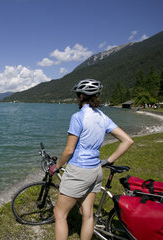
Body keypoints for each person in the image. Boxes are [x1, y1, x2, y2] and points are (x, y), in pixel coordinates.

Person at [49, 79, 134, 240]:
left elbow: (69, 150)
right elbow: (127, 140)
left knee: (59, 213)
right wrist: (108, 160)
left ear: (81, 96)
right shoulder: (102, 117)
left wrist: (57, 167)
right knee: (88, 214)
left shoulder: (78, 117)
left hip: (79, 171)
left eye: (77, 96)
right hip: (95, 171)